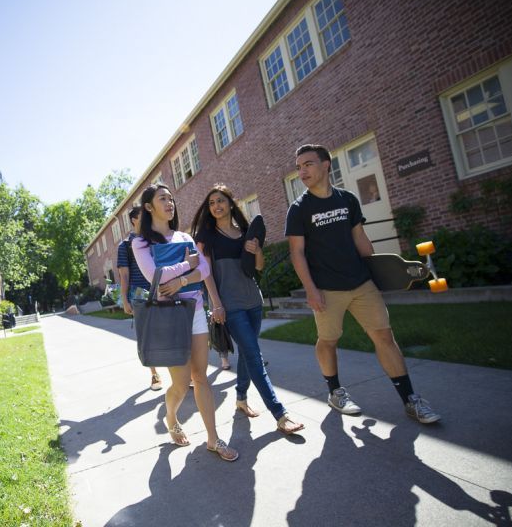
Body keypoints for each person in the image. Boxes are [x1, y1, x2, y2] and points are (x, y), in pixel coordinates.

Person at [285, 144, 440, 424]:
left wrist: (381, 272)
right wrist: (310, 290)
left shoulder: (348, 199)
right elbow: (296, 253)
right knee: (328, 341)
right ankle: (335, 392)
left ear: (325, 165)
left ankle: (410, 399)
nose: (302, 171)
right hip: (326, 288)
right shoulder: (299, 209)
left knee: (384, 337)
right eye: (298, 167)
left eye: (307, 164)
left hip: (361, 282)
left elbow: (360, 238)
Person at [132, 183, 239, 461]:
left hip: (193, 310)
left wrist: (182, 278)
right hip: (168, 318)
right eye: (162, 199)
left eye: (171, 198)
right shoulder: (141, 242)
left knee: (200, 377)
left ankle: (213, 439)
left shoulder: (184, 236)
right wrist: (185, 266)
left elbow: (203, 268)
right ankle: (171, 417)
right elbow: (155, 275)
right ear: (148, 207)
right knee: (180, 385)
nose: (170, 203)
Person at [192, 184, 305, 435]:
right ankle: (280, 413)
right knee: (254, 355)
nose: (216, 206)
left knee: (246, 352)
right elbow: (205, 273)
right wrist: (216, 304)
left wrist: (257, 251)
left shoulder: (244, 231)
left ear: (231, 203)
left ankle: (240, 398)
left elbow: (259, 267)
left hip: (253, 300)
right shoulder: (206, 236)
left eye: (220, 201)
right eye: (211, 203)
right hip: (230, 305)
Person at [118, 206, 163, 391]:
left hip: (159, 290)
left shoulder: (153, 240)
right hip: (138, 295)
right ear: (134, 220)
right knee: (147, 336)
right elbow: (124, 275)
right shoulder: (125, 245)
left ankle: (180, 372)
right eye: (144, 216)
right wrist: (125, 300)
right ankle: (154, 374)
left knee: (167, 330)